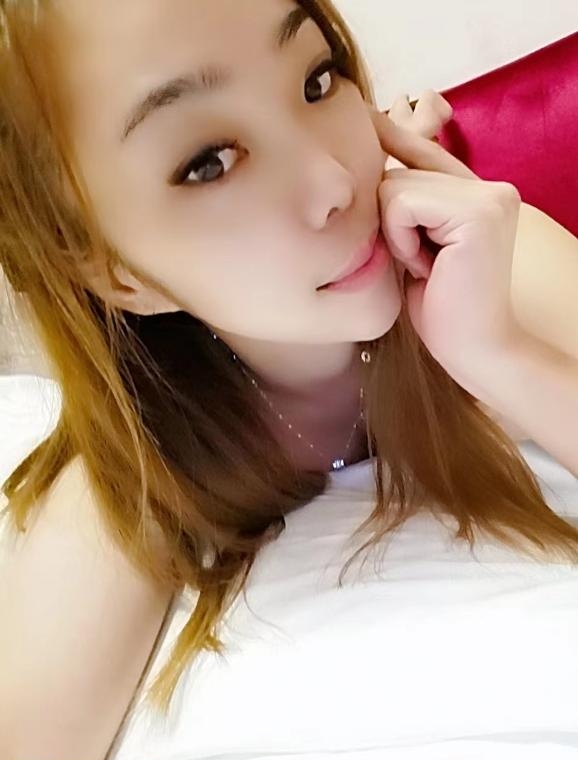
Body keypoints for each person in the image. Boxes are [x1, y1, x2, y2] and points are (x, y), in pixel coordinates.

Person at [0, 2, 577, 759]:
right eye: (209, 161)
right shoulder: (143, 471)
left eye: (317, 80)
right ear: (116, 272)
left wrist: (497, 352)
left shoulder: (491, 262)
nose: (335, 180)